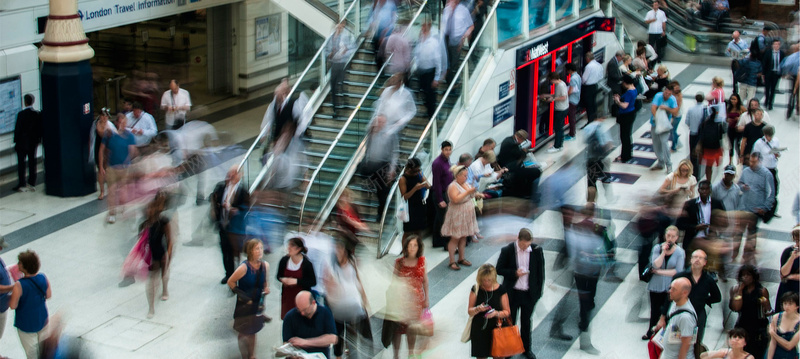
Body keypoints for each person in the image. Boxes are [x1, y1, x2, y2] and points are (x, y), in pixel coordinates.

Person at [495, 228, 545, 359]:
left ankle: (526, 348)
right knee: (510, 321)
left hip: (528, 294)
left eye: (528, 245)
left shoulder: (536, 251)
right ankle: (509, 348)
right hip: (513, 293)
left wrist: (538, 293)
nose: (525, 247)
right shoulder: (508, 250)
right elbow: (499, 269)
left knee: (526, 321)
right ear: (519, 240)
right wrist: (514, 273)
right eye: (523, 244)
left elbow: (541, 273)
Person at [324, 234, 372, 359]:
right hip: (337, 305)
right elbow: (327, 284)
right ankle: (339, 355)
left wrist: (364, 298)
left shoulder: (352, 261)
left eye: (340, 249)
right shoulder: (331, 265)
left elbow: (357, 279)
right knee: (338, 331)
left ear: (345, 250)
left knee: (352, 330)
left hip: (352, 303)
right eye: (336, 249)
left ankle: (350, 350)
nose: (338, 252)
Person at [663, 250, 722, 344]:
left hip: (698, 314)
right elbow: (668, 297)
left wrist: (704, 300)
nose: (697, 260)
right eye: (695, 257)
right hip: (680, 312)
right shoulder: (680, 276)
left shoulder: (708, 279)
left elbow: (717, 297)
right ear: (691, 260)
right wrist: (662, 317)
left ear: (705, 262)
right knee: (676, 342)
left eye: (700, 258)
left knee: (696, 343)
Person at [387, 236, 429, 358]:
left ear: (419, 247)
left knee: (412, 328)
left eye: (415, 245)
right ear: (405, 247)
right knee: (398, 330)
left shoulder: (422, 261)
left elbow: (425, 281)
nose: (412, 248)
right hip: (401, 301)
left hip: (416, 302)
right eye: (410, 245)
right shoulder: (399, 262)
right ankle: (396, 355)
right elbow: (393, 281)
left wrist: (427, 298)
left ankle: (411, 353)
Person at [227, 239, 270, 359]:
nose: (260, 251)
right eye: (257, 249)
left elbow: (265, 282)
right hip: (244, 306)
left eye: (261, 248)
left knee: (253, 331)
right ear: (250, 251)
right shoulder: (244, 268)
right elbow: (231, 282)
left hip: (257, 305)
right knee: (243, 332)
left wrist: (266, 288)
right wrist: (243, 296)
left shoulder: (265, 266)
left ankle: (252, 355)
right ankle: (244, 356)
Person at [644, 226, 685, 340]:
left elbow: (677, 271)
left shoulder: (680, 252)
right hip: (656, 285)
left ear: (677, 238)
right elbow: (655, 264)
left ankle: (664, 334)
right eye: (668, 236)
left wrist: (658, 272)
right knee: (654, 309)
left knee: (666, 311)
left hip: (670, 286)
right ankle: (651, 331)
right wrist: (663, 252)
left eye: (673, 236)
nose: (670, 238)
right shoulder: (657, 248)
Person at [211, 167, 251, 284]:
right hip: (223, 224)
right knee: (225, 251)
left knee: (235, 252)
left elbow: (247, 207)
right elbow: (214, 199)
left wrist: (236, 210)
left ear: (239, 175)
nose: (231, 176)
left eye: (234, 174)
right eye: (230, 174)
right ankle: (228, 274)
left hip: (235, 228)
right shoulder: (221, 187)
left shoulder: (242, 191)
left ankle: (236, 274)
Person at [9, 250, 51, 359]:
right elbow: (49, 295)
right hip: (42, 319)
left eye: (19, 262)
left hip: (26, 324)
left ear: (24, 266)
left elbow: (13, 305)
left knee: (32, 355)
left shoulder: (19, 285)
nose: (17, 264)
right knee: (45, 352)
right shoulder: (43, 277)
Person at [442, 165, 483, 270]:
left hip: (467, 213)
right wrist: (468, 192)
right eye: (464, 176)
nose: (466, 177)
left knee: (463, 236)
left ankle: (461, 258)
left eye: (466, 175)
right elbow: (455, 199)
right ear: (458, 176)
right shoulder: (453, 186)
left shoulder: (466, 184)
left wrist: (476, 193)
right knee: (455, 237)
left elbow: (471, 195)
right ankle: (452, 261)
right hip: (457, 213)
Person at [466, 264, 511, 359]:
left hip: (497, 327)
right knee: (481, 356)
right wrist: (478, 308)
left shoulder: (501, 290)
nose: (486, 283)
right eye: (483, 280)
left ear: (493, 278)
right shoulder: (476, 289)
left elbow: (507, 312)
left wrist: (496, 313)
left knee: (498, 356)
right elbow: (470, 311)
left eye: (489, 280)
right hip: (479, 329)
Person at [737, 152, 775, 263]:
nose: (751, 164)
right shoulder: (745, 171)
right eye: (750, 161)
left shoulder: (766, 174)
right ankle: (735, 253)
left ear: (760, 161)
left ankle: (747, 255)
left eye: (754, 162)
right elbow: (739, 184)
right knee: (739, 232)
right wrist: (743, 186)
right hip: (744, 208)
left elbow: (771, 193)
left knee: (751, 234)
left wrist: (765, 207)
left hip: (755, 210)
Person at [100, 114, 138, 224]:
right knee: (111, 191)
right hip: (112, 168)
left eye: (124, 122)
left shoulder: (129, 136)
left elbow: (133, 151)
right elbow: (102, 150)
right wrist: (102, 166)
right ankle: (112, 213)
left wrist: (127, 163)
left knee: (124, 191)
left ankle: (124, 209)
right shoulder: (109, 134)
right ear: (116, 123)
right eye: (120, 122)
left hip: (125, 168)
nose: (122, 124)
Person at [141, 191, 174, 319]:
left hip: (161, 252)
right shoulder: (145, 224)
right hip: (151, 255)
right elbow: (141, 243)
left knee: (164, 274)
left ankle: (165, 289)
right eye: (148, 209)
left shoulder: (163, 222)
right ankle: (151, 307)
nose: (149, 211)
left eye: (151, 208)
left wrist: (169, 254)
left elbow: (170, 240)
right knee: (151, 280)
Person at [361, 114, 399, 220]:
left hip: (383, 164)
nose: (380, 124)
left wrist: (392, 169)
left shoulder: (390, 134)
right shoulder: (371, 132)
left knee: (382, 191)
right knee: (367, 187)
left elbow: (394, 153)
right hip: (371, 164)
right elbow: (367, 147)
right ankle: (366, 212)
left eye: (382, 122)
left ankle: (381, 214)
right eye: (378, 122)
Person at [730, 265, 771, 359]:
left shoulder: (761, 291)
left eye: (748, 275)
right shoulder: (736, 290)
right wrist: (740, 290)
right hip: (743, 325)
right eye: (743, 275)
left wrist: (765, 304)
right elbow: (736, 308)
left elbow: (768, 310)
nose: (745, 277)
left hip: (758, 327)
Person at [282, 291, 338, 358]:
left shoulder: (325, 312)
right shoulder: (290, 317)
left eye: (305, 310)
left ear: (313, 303)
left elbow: (333, 338)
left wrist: (305, 342)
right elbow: (286, 343)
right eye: (299, 309)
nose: (302, 313)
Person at [676, 181, 725, 253]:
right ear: (698, 190)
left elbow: (724, 221)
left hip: (711, 240)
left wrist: (714, 229)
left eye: (706, 189)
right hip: (693, 240)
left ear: (710, 190)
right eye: (702, 189)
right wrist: (695, 227)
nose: (704, 191)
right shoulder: (690, 204)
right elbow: (679, 224)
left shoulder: (717, 204)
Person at [655, 277, 697, 359]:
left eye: (674, 289)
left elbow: (686, 343)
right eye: (670, 288)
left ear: (684, 293)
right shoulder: (675, 303)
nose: (670, 291)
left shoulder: (686, 317)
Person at [277, 237, 317, 319]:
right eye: (289, 245)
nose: (289, 248)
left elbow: (313, 282)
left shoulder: (307, 264)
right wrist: (283, 279)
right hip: (287, 296)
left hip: (302, 298)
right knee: (288, 318)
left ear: (298, 249)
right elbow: (278, 275)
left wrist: (296, 281)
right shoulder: (284, 260)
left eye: (292, 246)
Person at [415, 15, 445, 119]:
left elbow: (438, 60)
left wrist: (437, 77)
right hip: (421, 71)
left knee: (430, 95)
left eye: (424, 25)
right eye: (422, 26)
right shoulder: (420, 40)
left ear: (428, 26)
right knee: (423, 93)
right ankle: (428, 111)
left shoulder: (433, 42)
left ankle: (432, 115)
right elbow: (417, 54)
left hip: (430, 72)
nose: (422, 28)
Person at [497, 130, 542, 198]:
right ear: (520, 138)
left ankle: (528, 192)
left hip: (510, 166)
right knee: (536, 171)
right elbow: (519, 155)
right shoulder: (512, 144)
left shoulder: (508, 139)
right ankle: (528, 193)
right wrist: (524, 151)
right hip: (511, 169)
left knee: (530, 171)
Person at [12, 94, 42, 193]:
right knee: (32, 162)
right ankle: (32, 182)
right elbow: (39, 129)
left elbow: (18, 130)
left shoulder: (21, 114)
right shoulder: (36, 114)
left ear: (25, 102)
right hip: (33, 143)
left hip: (22, 143)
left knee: (21, 164)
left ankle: (22, 183)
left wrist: (16, 140)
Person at [584, 111, 614, 204]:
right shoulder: (601, 127)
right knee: (605, 178)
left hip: (591, 159)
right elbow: (608, 144)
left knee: (591, 181)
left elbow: (585, 142)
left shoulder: (587, 128)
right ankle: (609, 198)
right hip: (602, 159)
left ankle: (591, 201)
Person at [442, 0, 474, 84]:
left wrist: (464, 37)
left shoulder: (463, 10)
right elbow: (443, 25)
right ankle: (450, 80)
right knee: (446, 62)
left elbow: (471, 26)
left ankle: (451, 83)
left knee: (454, 63)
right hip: (446, 39)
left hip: (457, 40)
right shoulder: (446, 10)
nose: (449, 2)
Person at [327, 20, 356, 112]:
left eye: (340, 26)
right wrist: (329, 54)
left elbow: (352, 48)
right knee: (333, 85)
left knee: (342, 82)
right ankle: (335, 108)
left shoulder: (346, 36)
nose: (339, 28)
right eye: (337, 27)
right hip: (334, 63)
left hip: (343, 63)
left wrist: (344, 54)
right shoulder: (331, 37)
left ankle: (345, 102)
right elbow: (326, 50)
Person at [650, 83, 680, 172]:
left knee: (664, 143)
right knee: (656, 144)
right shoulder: (658, 96)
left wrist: (666, 108)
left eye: (669, 94)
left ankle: (668, 164)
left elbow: (675, 111)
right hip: (655, 124)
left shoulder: (672, 99)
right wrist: (657, 118)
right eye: (666, 93)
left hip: (665, 125)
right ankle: (660, 161)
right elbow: (653, 108)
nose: (666, 95)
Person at [89, 109, 118, 200]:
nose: (104, 118)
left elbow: (115, 138)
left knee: (109, 168)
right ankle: (102, 191)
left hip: (108, 147)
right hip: (98, 146)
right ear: (100, 116)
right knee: (100, 168)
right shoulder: (95, 124)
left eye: (106, 116)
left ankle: (112, 188)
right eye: (102, 116)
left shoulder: (110, 126)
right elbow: (91, 137)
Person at [430, 141, 454, 248]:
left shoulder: (446, 161)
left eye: (449, 149)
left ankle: (437, 241)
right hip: (440, 193)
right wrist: (440, 199)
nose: (448, 152)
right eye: (446, 150)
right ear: (442, 150)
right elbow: (437, 183)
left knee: (438, 218)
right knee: (444, 219)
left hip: (446, 192)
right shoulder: (437, 163)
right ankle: (447, 244)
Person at [399, 158, 430, 239]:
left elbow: (428, 185)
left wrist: (424, 183)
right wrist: (415, 188)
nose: (417, 171)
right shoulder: (403, 179)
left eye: (418, 169)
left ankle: (418, 249)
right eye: (415, 170)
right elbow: (404, 196)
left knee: (418, 230)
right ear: (410, 169)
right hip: (409, 207)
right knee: (407, 232)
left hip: (419, 205)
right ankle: (405, 250)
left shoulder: (419, 174)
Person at [613, 76, 639, 163]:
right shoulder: (634, 89)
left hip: (626, 115)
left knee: (624, 136)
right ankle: (627, 154)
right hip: (631, 113)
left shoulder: (629, 93)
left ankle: (625, 156)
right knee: (627, 135)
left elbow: (624, 106)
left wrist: (617, 101)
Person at [767, 292, 800, 359]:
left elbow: (789, 346)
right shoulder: (776, 317)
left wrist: (773, 333)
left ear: (797, 306)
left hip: (791, 355)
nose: (787, 307)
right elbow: (773, 342)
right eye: (785, 303)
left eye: (790, 304)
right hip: (776, 353)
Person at [696, 106, 725, 182]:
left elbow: (700, 135)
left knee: (708, 167)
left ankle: (709, 181)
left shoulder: (704, 123)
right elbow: (721, 135)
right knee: (716, 166)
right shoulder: (718, 124)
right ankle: (713, 181)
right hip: (715, 148)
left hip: (707, 148)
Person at [751, 125, 780, 196]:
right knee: (762, 186)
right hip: (763, 168)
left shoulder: (776, 141)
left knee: (775, 184)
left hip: (772, 167)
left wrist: (777, 154)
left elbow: (779, 153)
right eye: (768, 136)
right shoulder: (759, 143)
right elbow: (754, 155)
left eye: (771, 136)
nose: (770, 138)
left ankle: (773, 199)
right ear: (765, 135)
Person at [543, 72, 569, 153]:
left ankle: (557, 146)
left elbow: (563, 97)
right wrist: (548, 95)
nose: (551, 82)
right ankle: (559, 145)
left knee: (558, 128)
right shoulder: (561, 84)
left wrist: (553, 99)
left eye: (551, 80)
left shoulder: (560, 85)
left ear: (553, 79)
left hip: (561, 110)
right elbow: (558, 94)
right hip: (563, 108)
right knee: (560, 128)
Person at [685, 93, 708, 178]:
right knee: (701, 154)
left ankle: (694, 173)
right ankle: (699, 172)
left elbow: (687, 121)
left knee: (693, 155)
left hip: (693, 133)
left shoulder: (691, 109)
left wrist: (692, 126)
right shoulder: (706, 109)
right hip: (702, 134)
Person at [775, 226, 800, 305]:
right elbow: (784, 273)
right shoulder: (788, 251)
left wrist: (792, 277)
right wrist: (792, 258)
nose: (797, 244)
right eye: (796, 240)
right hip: (788, 288)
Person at [581, 52, 604, 126]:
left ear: (587, 58)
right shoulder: (599, 65)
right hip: (595, 86)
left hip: (588, 87)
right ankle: (594, 118)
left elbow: (584, 79)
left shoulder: (588, 67)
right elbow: (601, 76)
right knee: (593, 103)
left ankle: (590, 120)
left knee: (589, 104)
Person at [762, 39, 785, 111]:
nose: (776, 46)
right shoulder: (768, 53)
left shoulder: (781, 53)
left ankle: (770, 103)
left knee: (773, 89)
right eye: (775, 44)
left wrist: (782, 73)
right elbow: (764, 63)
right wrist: (763, 73)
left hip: (776, 73)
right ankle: (766, 101)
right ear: (772, 45)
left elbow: (783, 63)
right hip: (768, 73)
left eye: (778, 44)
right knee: (767, 88)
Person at [726, 94, 746, 165]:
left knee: (738, 145)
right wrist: (728, 120)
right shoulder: (729, 108)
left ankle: (739, 159)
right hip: (731, 128)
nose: (733, 101)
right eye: (732, 99)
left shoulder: (741, 108)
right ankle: (730, 161)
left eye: (734, 99)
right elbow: (726, 117)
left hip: (738, 129)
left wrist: (739, 119)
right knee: (730, 145)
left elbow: (746, 116)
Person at [566, 63, 581, 140]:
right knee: (572, 116)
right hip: (576, 99)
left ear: (570, 70)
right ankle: (572, 132)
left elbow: (571, 90)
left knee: (571, 117)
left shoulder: (573, 79)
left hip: (572, 100)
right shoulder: (578, 76)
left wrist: (565, 95)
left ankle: (572, 134)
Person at [670, 81, 685, 152]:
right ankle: (678, 143)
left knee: (673, 130)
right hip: (673, 114)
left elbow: (678, 106)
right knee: (672, 130)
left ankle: (674, 146)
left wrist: (674, 113)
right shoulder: (672, 94)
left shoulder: (679, 96)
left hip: (677, 115)